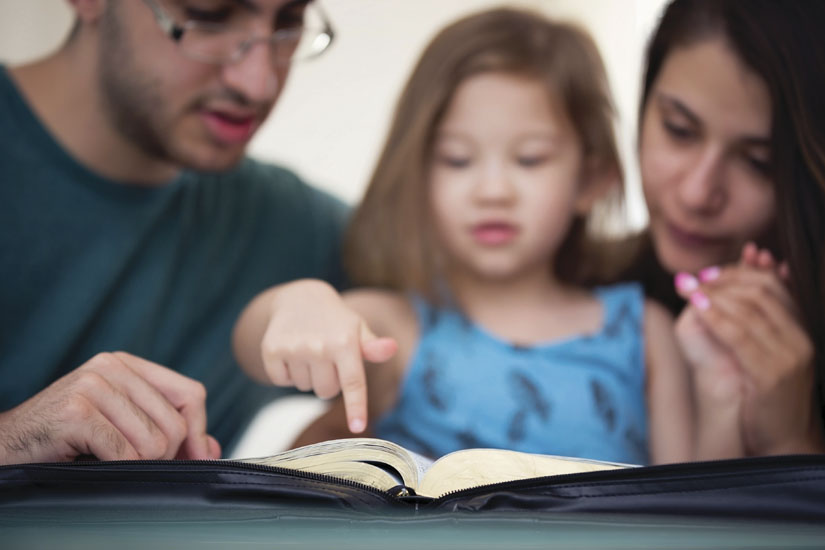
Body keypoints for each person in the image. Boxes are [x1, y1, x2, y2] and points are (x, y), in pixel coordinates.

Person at [233, 8, 693, 465]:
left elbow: (692, 504)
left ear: (592, 179)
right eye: (457, 160)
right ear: (419, 177)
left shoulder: (645, 334)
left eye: (530, 159)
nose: (492, 191)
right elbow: (253, 346)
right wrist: (297, 303)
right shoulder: (393, 329)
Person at [0, 0, 347, 465]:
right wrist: (15, 440)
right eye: (209, 15)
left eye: (288, 22)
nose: (258, 83)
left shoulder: (291, 222)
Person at [617, 0, 825, 458]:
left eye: (758, 162)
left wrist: (792, 441)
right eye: (679, 130)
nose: (697, 193)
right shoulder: (583, 289)